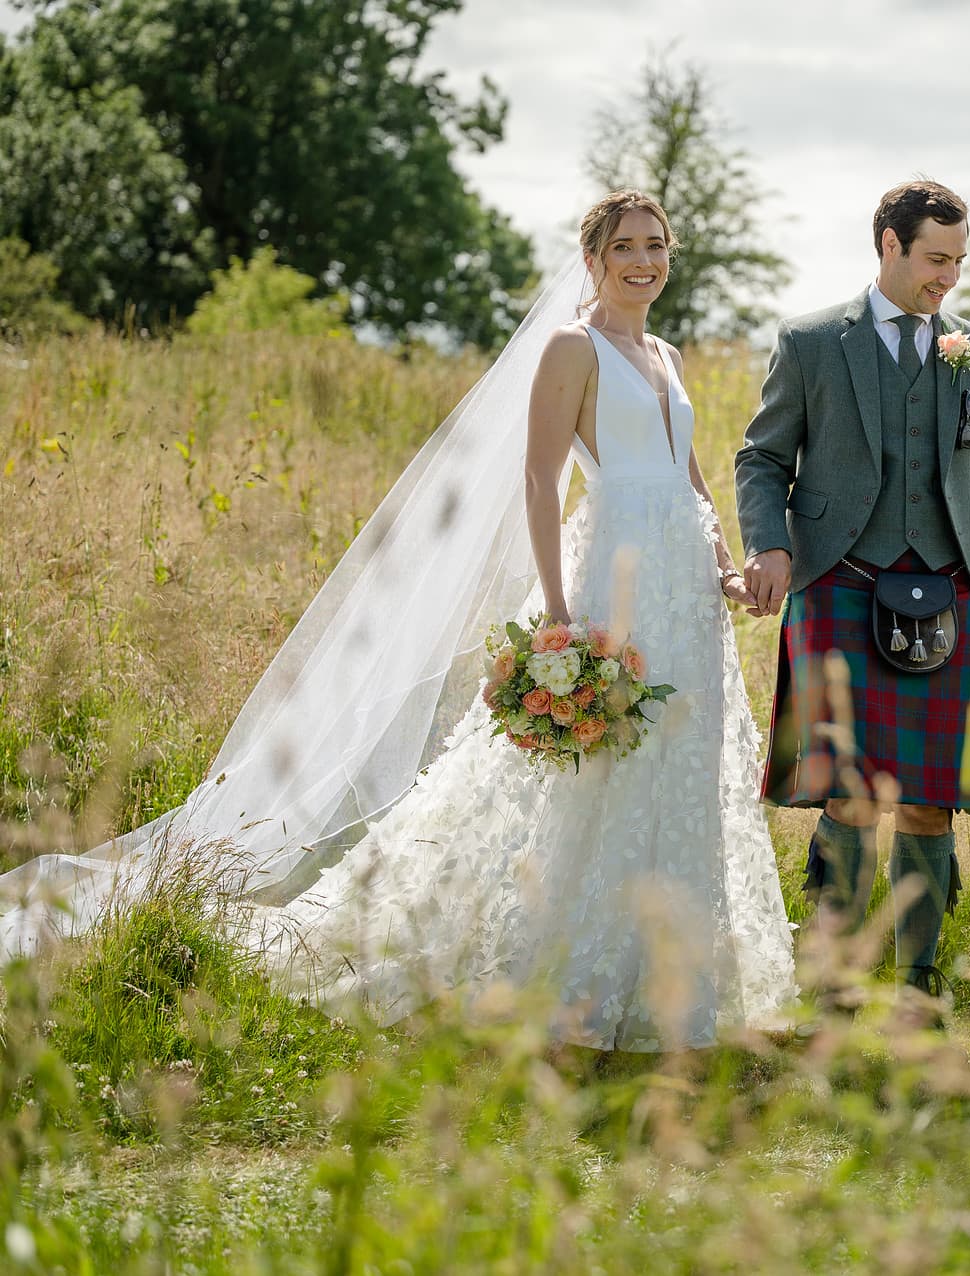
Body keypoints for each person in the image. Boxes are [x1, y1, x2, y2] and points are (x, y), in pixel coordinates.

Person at [0, 190, 796, 1052]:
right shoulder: (576, 347)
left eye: (657, 247)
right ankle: (561, 970)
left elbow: (690, 473)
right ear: (595, 259)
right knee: (595, 771)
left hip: (684, 585)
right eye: (627, 247)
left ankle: (668, 984)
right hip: (612, 574)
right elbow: (538, 480)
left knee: (675, 759)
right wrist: (561, 612)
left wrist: (721, 563)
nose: (645, 261)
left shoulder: (666, 352)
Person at [734, 180, 970, 1003]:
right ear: (889, 245)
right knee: (849, 792)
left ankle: (917, 988)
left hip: (944, 593)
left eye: (958, 263)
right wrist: (768, 546)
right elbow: (762, 458)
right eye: (935, 260)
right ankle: (830, 985)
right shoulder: (810, 343)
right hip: (840, 583)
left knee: (929, 801)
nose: (947, 278)